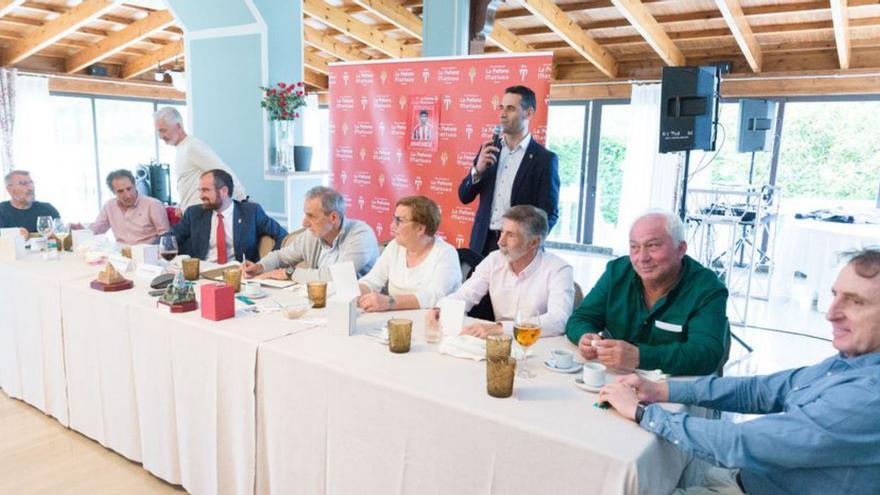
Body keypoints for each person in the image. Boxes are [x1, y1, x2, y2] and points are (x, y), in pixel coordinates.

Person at [598, 247, 880, 495]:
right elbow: (761, 390)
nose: (831, 313)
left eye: (855, 301)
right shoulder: (851, 361)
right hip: (747, 479)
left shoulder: (868, 396)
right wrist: (661, 389)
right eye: (835, 295)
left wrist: (642, 413)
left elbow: (742, 443)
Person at [565, 210, 728, 376]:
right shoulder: (617, 272)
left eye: (652, 246)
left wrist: (640, 356)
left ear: (680, 249)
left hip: (673, 389)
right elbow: (580, 318)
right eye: (634, 247)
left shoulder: (707, 288)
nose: (642, 258)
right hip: (615, 379)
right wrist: (585, 336)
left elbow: (706, 354)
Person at [430, 205, 573, 338]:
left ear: (534, 243)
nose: (500, 242)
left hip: (539, 344)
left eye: (511, 235)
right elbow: (465, 294)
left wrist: (501, 328)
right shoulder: (494, 259)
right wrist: (441, 308)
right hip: (498, 343)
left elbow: (558, 320)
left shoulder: (559, 269)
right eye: (501, 232)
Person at [458, 85, 560, 255]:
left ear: (529, 113)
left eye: (511, 108)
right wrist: (477, 170)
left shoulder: (544, 159)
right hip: (483, 242)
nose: (503, 114)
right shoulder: (489, 150)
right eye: (501, 108)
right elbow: (464, 196)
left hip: (519, 246)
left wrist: (530, 243)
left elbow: (549, 214)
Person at [242, 186, 379, 281]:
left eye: (311, 216)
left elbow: (336, 276)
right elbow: (281, 256)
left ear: (333, 218)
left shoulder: (361, 235)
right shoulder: (312, 234)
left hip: (360, 309)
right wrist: (260, 267)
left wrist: (290, 273)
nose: (304, 223)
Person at [357, 195, 460, 312]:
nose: (392, 226)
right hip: (397, 320)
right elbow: (372, 281)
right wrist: (350, 293)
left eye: (400, 221)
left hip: (436, 323)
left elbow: (434, 296)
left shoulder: (446, 253)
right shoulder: (394, 247)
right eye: (394, 219)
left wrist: (390, 302)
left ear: (420, 229)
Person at [170, 169, 286, 263]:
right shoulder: (194, 213)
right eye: (200, 190)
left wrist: (265, 264)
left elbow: (283, 236)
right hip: (203, 275)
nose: (201, 196)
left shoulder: (251, 212)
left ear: (223, 191)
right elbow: (170, 238)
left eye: (205, 190)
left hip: (239, 276)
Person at [154, 107, 247, 210]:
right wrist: (182, 206)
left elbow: (223, 171)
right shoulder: (181, 148)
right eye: (159, 132)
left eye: (163, 131)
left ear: (178, 127)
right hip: (190, 215)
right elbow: (189, 183)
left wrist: (243, 199)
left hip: (202, 215)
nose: (161, 136)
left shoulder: (192, 146)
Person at [89, 169, 170, 245]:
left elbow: (166, 237)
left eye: (129, 189)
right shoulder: (109, 206)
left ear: (135, 185)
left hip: (147, 254)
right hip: (121, 255)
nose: (127, 195)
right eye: (120, 191)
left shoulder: (153, 205)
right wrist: (81, 229)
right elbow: (96, 230)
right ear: (113, 192)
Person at [0, 170, 60, 235]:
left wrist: (70, 230)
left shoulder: (47, 208)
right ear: (9, 189)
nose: (30, 188)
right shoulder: (2, 211)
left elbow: (61, 235)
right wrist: (15, 235)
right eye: (23, 183)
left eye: (31, 183)